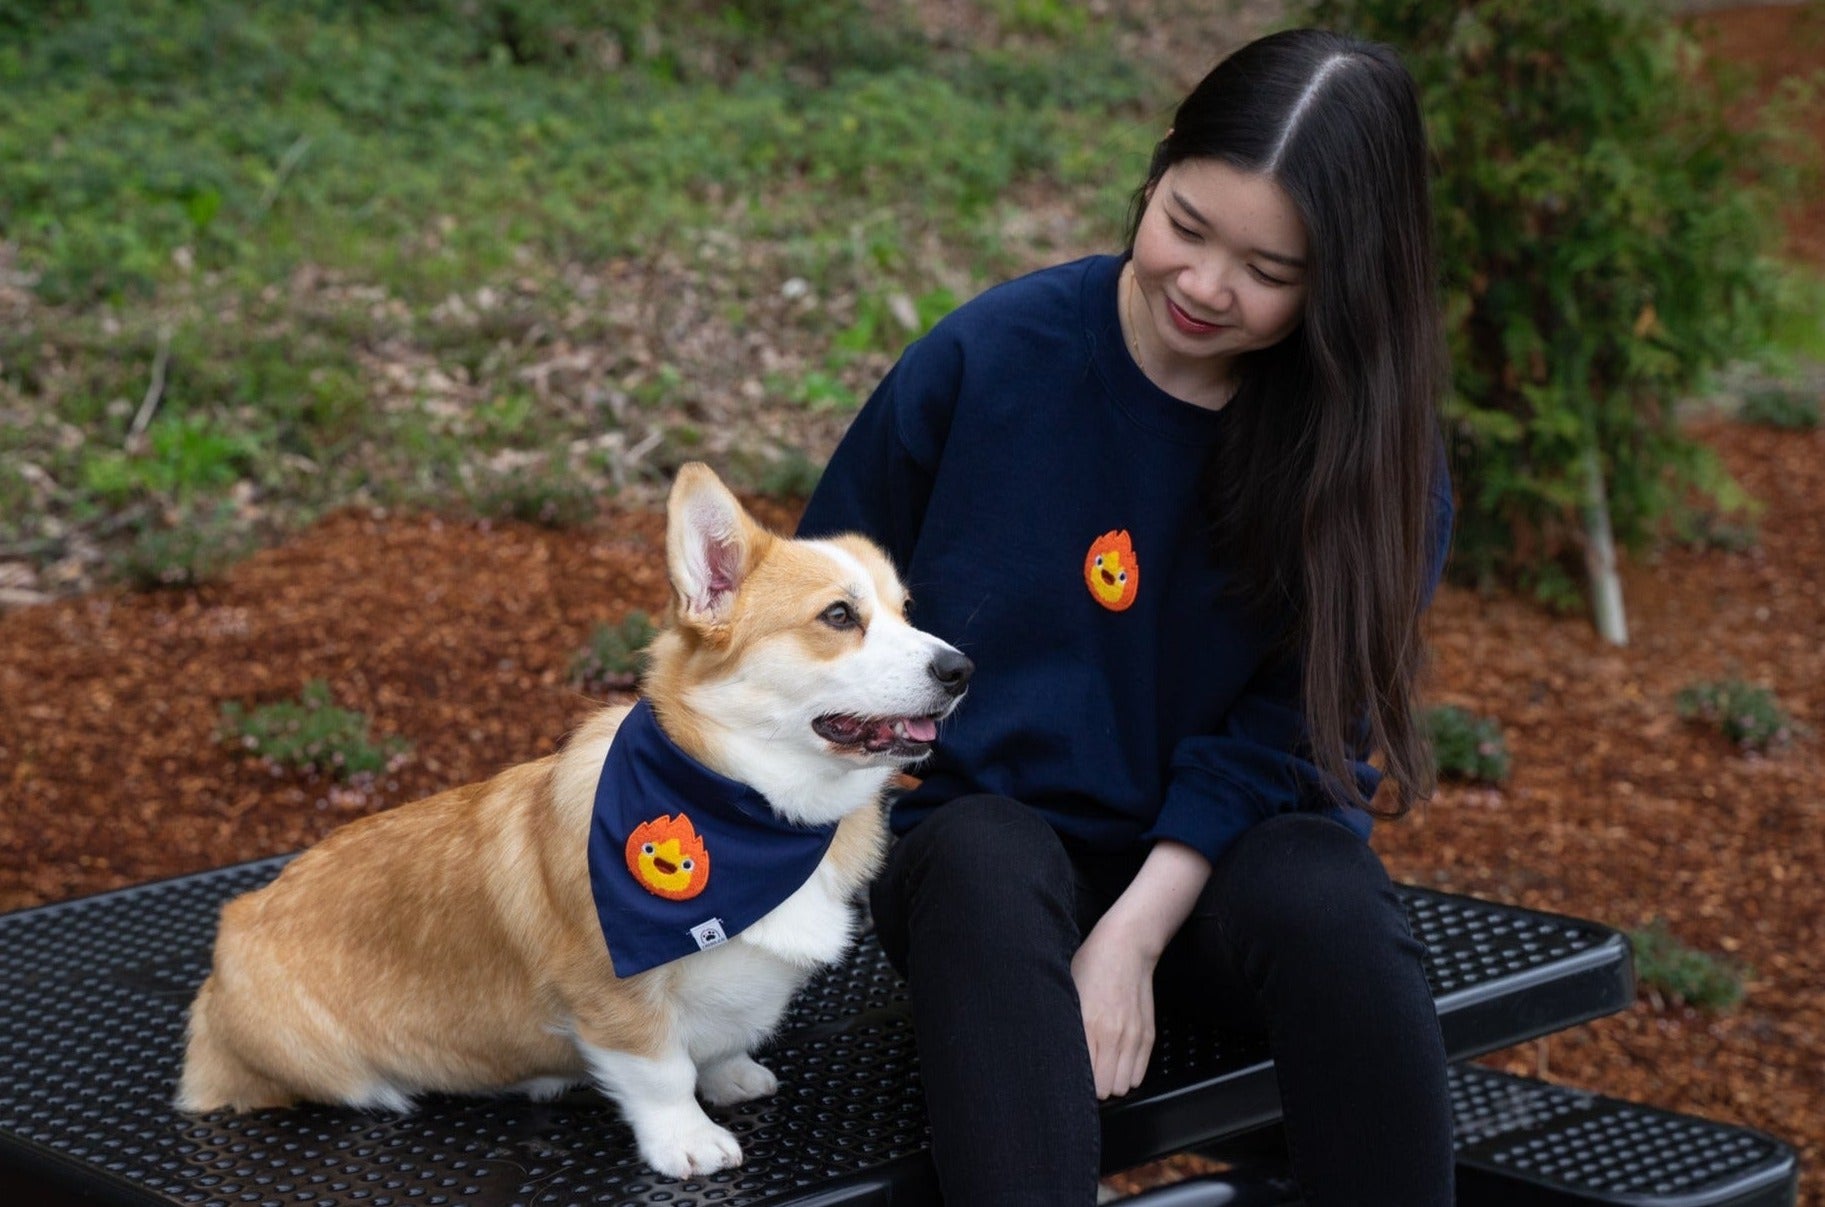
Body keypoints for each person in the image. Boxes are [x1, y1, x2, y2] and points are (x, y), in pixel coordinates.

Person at [796, 27, 1456, 1207]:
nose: (1205, 286)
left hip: (1218, 880)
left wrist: (1136, 931)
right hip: (986, 875)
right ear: (1154, 173)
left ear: (1348, 280)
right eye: (1186, 227)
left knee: (1328, 896)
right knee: (986, 858)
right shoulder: (992, 357)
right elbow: (818, 609)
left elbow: (1299, 735)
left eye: (1270, 269)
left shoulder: (1370, 457)